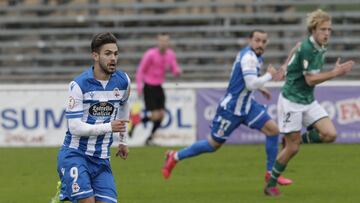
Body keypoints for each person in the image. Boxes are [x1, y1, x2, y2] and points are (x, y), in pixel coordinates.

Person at [162, 29, 292, 186]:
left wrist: (260, 87)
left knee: (273, 131)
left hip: (247, 106)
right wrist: (268, 76)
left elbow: (244, 80)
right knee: (212, 145)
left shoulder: (255, 57)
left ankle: (271, 174)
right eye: (257, 40)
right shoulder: (248, 57)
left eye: (263, 41)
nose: (260, 44)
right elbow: (251, 82)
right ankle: (175, 156)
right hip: (231, 109)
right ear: (250, 40)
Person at [264, 9, 355, 196]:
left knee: (330, 134)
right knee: (292, 149)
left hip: (307, 100)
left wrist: (285, 66)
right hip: (291, 101)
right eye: (323, 29)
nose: (327, 33)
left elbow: (295, 46)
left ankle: (295, 140)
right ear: (313, 30)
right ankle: (270, 185)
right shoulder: (308, 48)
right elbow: (310, 80)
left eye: (329, 29)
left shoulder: (319, 45)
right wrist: (335, 73)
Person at [56, 32, 131, 203]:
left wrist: (123, 141)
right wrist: (108, 127)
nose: (113, 58)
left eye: (116, 53)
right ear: (95, 56)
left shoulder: (123, 81)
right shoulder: (79, 85)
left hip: (102, 159)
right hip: (75, 154)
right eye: (107, 53)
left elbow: (124, 104)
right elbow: (74, 127)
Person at [132, 33, 181, 145]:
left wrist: (177, 71)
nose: (164, 43)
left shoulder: (170, 55)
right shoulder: (150, 54)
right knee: (155, 116)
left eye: (166, 41)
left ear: (168, 42)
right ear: (158, 42)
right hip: (149, 86)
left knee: (162, 115)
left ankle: (149, 138)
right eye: (162, 41)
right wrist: (139, 87)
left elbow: (174, 68)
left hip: (159, 86)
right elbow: (140, 71)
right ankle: (136, 124)